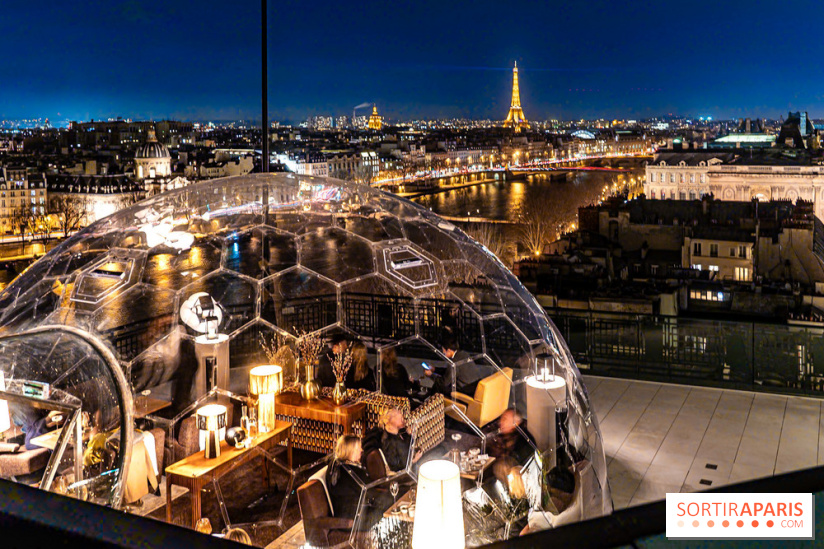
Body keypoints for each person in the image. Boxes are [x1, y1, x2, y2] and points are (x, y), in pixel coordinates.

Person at [424, 328, 492, 397]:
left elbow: (444, 383)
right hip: (473, 386)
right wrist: (435, 369)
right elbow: (450, 372)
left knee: (438, 385)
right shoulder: (464, 354)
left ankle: (429, 402)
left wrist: (431, 375)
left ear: (449, 350)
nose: (443, 353)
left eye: (443, 351)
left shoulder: (454, 363)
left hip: (466, 391)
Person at [362, 409, 422, 473]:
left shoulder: (401, 433)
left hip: (412, 467)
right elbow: (395, 466)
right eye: (398, 415)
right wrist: (413, 461)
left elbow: (408, 448)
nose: (402, 417)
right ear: (389, 420)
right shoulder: (387, 440)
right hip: (404, 476)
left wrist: (410, 435)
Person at [326, 435, 370, 520]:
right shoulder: (349, 472)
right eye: (358, 448)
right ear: (350, 451)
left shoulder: (336, 466)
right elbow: (368, 489)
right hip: (353, 518)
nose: (361, 450)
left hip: (350, 512)